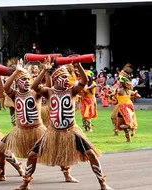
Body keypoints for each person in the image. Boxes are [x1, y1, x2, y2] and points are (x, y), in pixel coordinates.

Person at [15, 60, 113, 190]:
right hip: (52, 132)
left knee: (91, 154)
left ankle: (103, 184)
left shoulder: (72, 91)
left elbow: (83, 82)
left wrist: (78, 66)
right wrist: (45, 70)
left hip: (71, 131)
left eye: (68, 77)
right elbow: (34, 87)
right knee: (32, 155)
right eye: (64, 77)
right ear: (55, 79)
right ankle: (26, 184)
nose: (67, 80)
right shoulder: (49, 92)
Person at [0, 59, 46, 182]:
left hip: (38, 130)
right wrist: (16, 72)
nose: (26, 82)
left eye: (27, 80)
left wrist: (45, 70)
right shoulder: (15, 95)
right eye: (23, 80)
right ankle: (1, 174)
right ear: (17, 82)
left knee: (56, 148)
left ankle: (66, 172)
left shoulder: (36, 93)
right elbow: (5, 87)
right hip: (20, 130)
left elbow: (44, 84)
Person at [112, 64, 140, 142]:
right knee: (125, 122)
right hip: (129, 106)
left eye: (120, 82)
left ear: (123, 84)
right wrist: (135, 94)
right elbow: (138, 96)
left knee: (125, 123)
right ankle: (129, 137)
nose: (119, 83)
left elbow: (113, 94)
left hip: (124, 108)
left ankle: (129, 131)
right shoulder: (129, 91)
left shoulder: (120, 90)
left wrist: (111, 94)